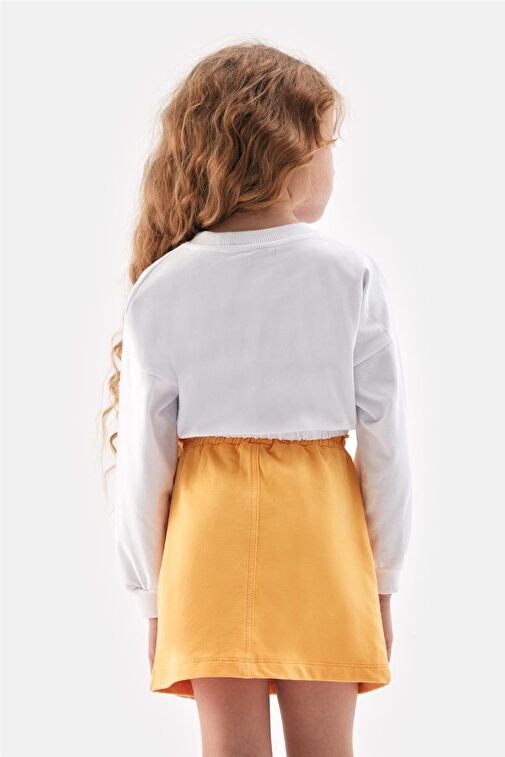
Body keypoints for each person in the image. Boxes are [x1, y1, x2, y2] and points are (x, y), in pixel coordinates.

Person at [103, 41, 413, 757]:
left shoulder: (163, 285)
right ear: (289, 150)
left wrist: (152, 596)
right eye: (328, 144)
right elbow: (386, 445)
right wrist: (383, 580)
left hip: (206, 543)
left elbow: (145, 468)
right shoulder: (349, 274)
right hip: (322, 539)